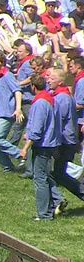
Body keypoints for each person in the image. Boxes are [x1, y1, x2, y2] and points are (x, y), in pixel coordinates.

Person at [20, 75, 64, 220]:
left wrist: (25, 148)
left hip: (42, 145)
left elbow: (37, 130)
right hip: (52, 143)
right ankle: (55, 202)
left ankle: (44, 214)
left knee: (40, 179)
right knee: (46, 175)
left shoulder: (39, 103)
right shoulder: (52, 100)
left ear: (33, 86)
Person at [48, 69, 84, 203]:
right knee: (57, 172)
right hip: (67, 139)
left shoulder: (61, 98)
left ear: (60, 81)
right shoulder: (63, 95)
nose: (48, 80)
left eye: (52, 78)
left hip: (64, 140)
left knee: (57, 173)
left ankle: (59, 200)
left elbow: (58, 121)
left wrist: (56, 145)